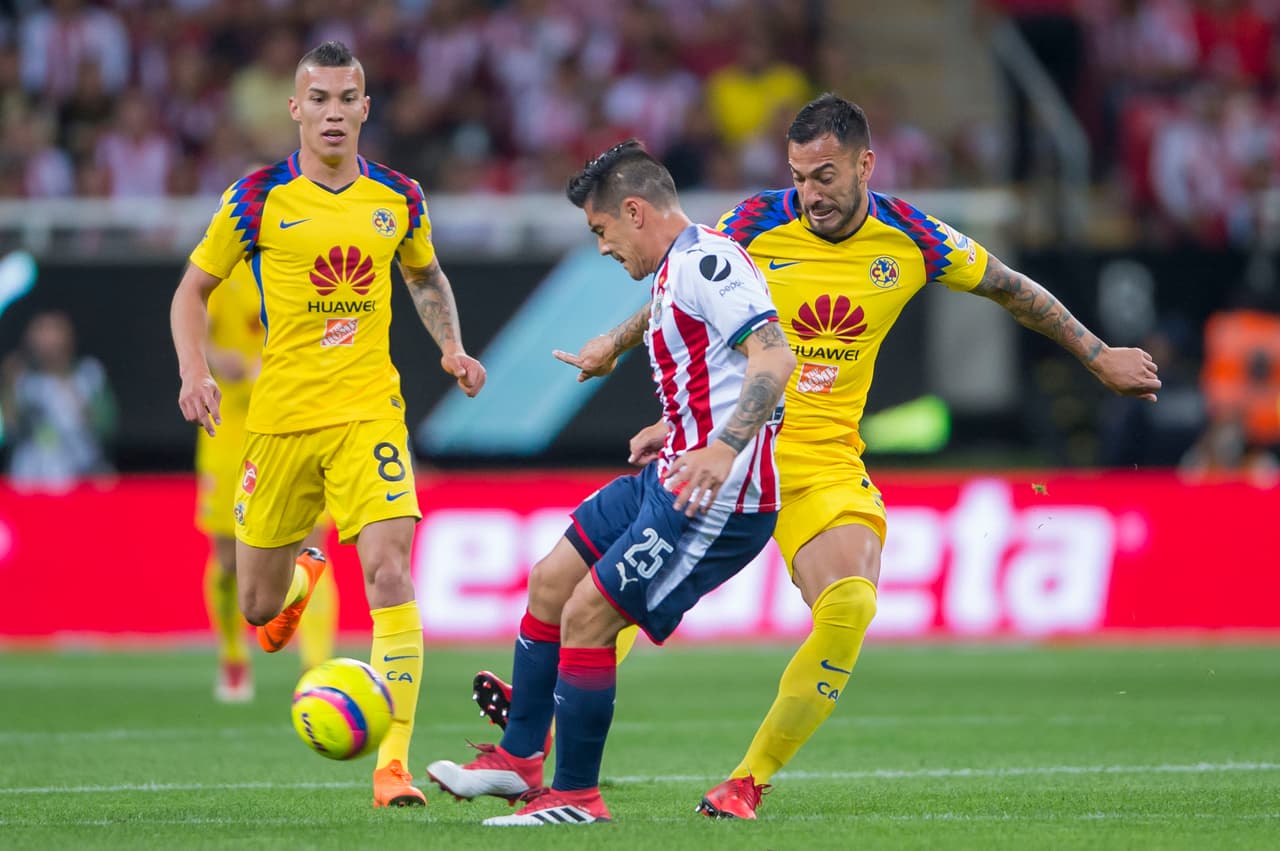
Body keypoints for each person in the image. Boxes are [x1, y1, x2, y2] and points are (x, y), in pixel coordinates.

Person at [485, 93, 1162, 819]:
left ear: (866, 164)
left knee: (850, 604)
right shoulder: (753, 222)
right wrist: (621, 354)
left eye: (826, 176)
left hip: (821, 463)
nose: (810, 194)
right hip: (735, 451)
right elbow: (681, 287)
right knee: (613, 589)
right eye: (799, 176)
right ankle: (541, 732)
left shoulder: (914, 237)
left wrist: (1097, 354)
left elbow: (1011, 288)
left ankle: (746, 780)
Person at [425, 140, 796, 826]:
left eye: (601, 230)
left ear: (635, 211)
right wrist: (675, 422)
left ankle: (576, 796)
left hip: (716, 498)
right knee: (550, 581)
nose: (601, 247)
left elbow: (774, 357)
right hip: (674, 471)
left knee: (588, 617)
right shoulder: (677, 269)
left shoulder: (708, 263)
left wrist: (723, 447)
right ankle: (518, 759)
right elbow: (720, 370)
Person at [169, 40, 486, 807]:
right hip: (280, 423)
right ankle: (305, 570)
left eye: (347, 99)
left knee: (389, 570)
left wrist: (451, 345)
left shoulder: (399, 197)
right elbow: (191, 290)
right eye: (320, 99)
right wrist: (195, 370)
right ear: (296, 108)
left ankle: (393, 765)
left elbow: (425, 274)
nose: (334, 112)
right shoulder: (256, 198)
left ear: (365, 108)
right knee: (259, 608)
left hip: (368, 413)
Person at [196, 257, 339, 704]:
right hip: (232, 425)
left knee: (311, 546)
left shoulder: (308, 254)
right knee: (228, 558)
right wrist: (213, 359)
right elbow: (193, 320)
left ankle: (315, 669)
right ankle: (233, 654)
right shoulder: (223, 258)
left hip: (297, 418)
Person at [1, 310, 116, 492]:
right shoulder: (21, 377)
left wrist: (75, 398)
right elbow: (8, 428)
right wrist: (9, 385)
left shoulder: (89, 374)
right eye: (42, 331)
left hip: (81, 472)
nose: (48, 339)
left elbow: (107, 426)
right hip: (30, 478)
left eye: (54, 330)